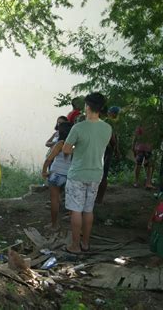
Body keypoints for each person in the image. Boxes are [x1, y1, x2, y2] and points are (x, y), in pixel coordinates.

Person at [62, 92, 112, 254]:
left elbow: (66, 150)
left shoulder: (78, 127)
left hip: (78, 173)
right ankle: (85, 243)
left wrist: (78, 147)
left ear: (88, 107)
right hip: (96, 173)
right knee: (88, 210)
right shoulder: (107, 128)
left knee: (76, 210)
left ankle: (75, 246)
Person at [42, 122, 73, 230]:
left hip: (56, 175)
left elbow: (49, 159)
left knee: (54, 200)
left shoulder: (60, 143)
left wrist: (44, 171)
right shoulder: (76, 144)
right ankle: (72, 222)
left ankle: (54, 225)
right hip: (70, 175)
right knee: (71, 200)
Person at [95, 106, 121, 205]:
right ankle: (99, 199)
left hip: (102, 149)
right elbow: (112, 138)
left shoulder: (103, 121)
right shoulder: (109, 122)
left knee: (101, 173)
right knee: (103, 174)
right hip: (106, 149)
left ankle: (97, 199)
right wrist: (117, 150)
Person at [148, 170, 163, 261]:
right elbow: (156, 208)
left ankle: (161, 259)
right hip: (157, 224)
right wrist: (150, 220)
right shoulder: (162, 195)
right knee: (155, 241)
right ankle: (156, 255)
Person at [132, 122, 156, 189]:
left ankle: (148, 183)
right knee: (138, 164)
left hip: (148, 148)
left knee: (149, 165)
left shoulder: (153, 125)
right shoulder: (140, 125)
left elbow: (155, 137)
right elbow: (136, 136)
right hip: (140, 148)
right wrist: (133, 146)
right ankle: (136, 181)